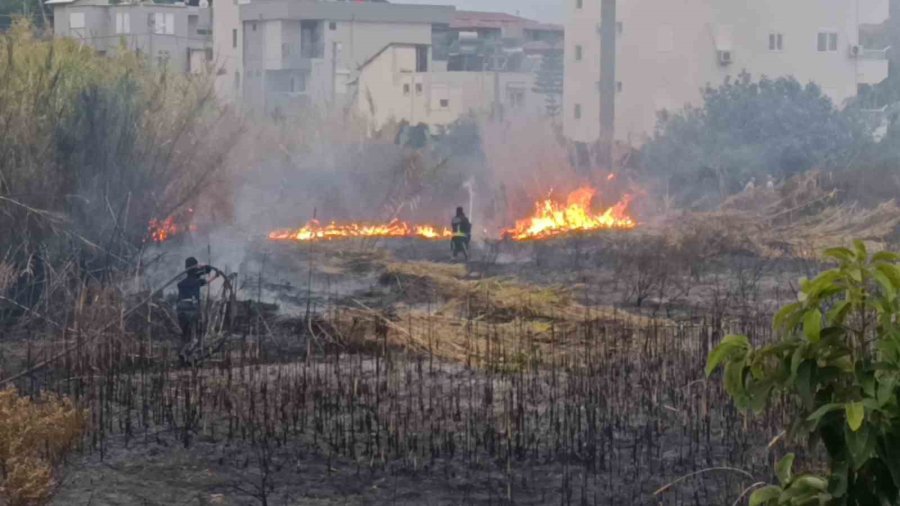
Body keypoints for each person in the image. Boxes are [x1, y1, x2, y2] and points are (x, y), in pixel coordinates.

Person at [176, 257, 216, 347]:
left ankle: (185, 346)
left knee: (185, 331)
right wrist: (214, 275)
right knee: (196, 327)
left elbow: (206, 271)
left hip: (181, 308)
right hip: (192, 307)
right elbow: (207, 274)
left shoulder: (183, 282)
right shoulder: (196, 280)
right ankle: (192, 345)